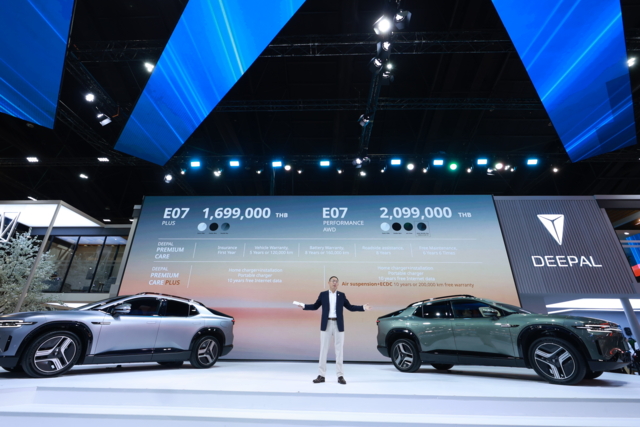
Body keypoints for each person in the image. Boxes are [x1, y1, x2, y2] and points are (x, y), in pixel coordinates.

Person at [297, 276, 371, 385]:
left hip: (338, 324)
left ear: (338, 284)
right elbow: (315, 306)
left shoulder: (341, 295)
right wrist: (304, 306)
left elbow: (350, 307)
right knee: (323, 350)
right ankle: (321, 375)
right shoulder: (323, 294)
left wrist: (363, 307)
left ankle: (340, 375)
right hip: (326, 324)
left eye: (336, 281)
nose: (334, 283)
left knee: (339, 351)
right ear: (329, 283)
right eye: (333, 281)